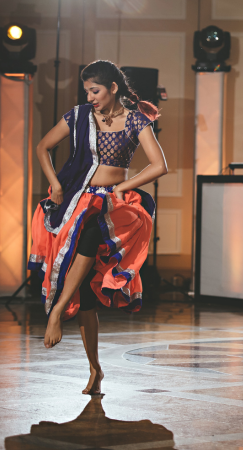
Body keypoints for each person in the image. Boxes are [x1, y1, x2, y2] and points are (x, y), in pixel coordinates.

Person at [28, 60, 168, 395]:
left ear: (113, 88)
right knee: (87, 295)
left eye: (96, 90)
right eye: (87, 91)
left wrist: (124, 186)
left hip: (116, 205)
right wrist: (56, 185)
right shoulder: (80, 117)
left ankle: (57, 311)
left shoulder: (135, 120)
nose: (90, 96)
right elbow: (42, 147)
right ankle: (95, 370)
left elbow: (160, 165)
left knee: (93, 233)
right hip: (78, 200)